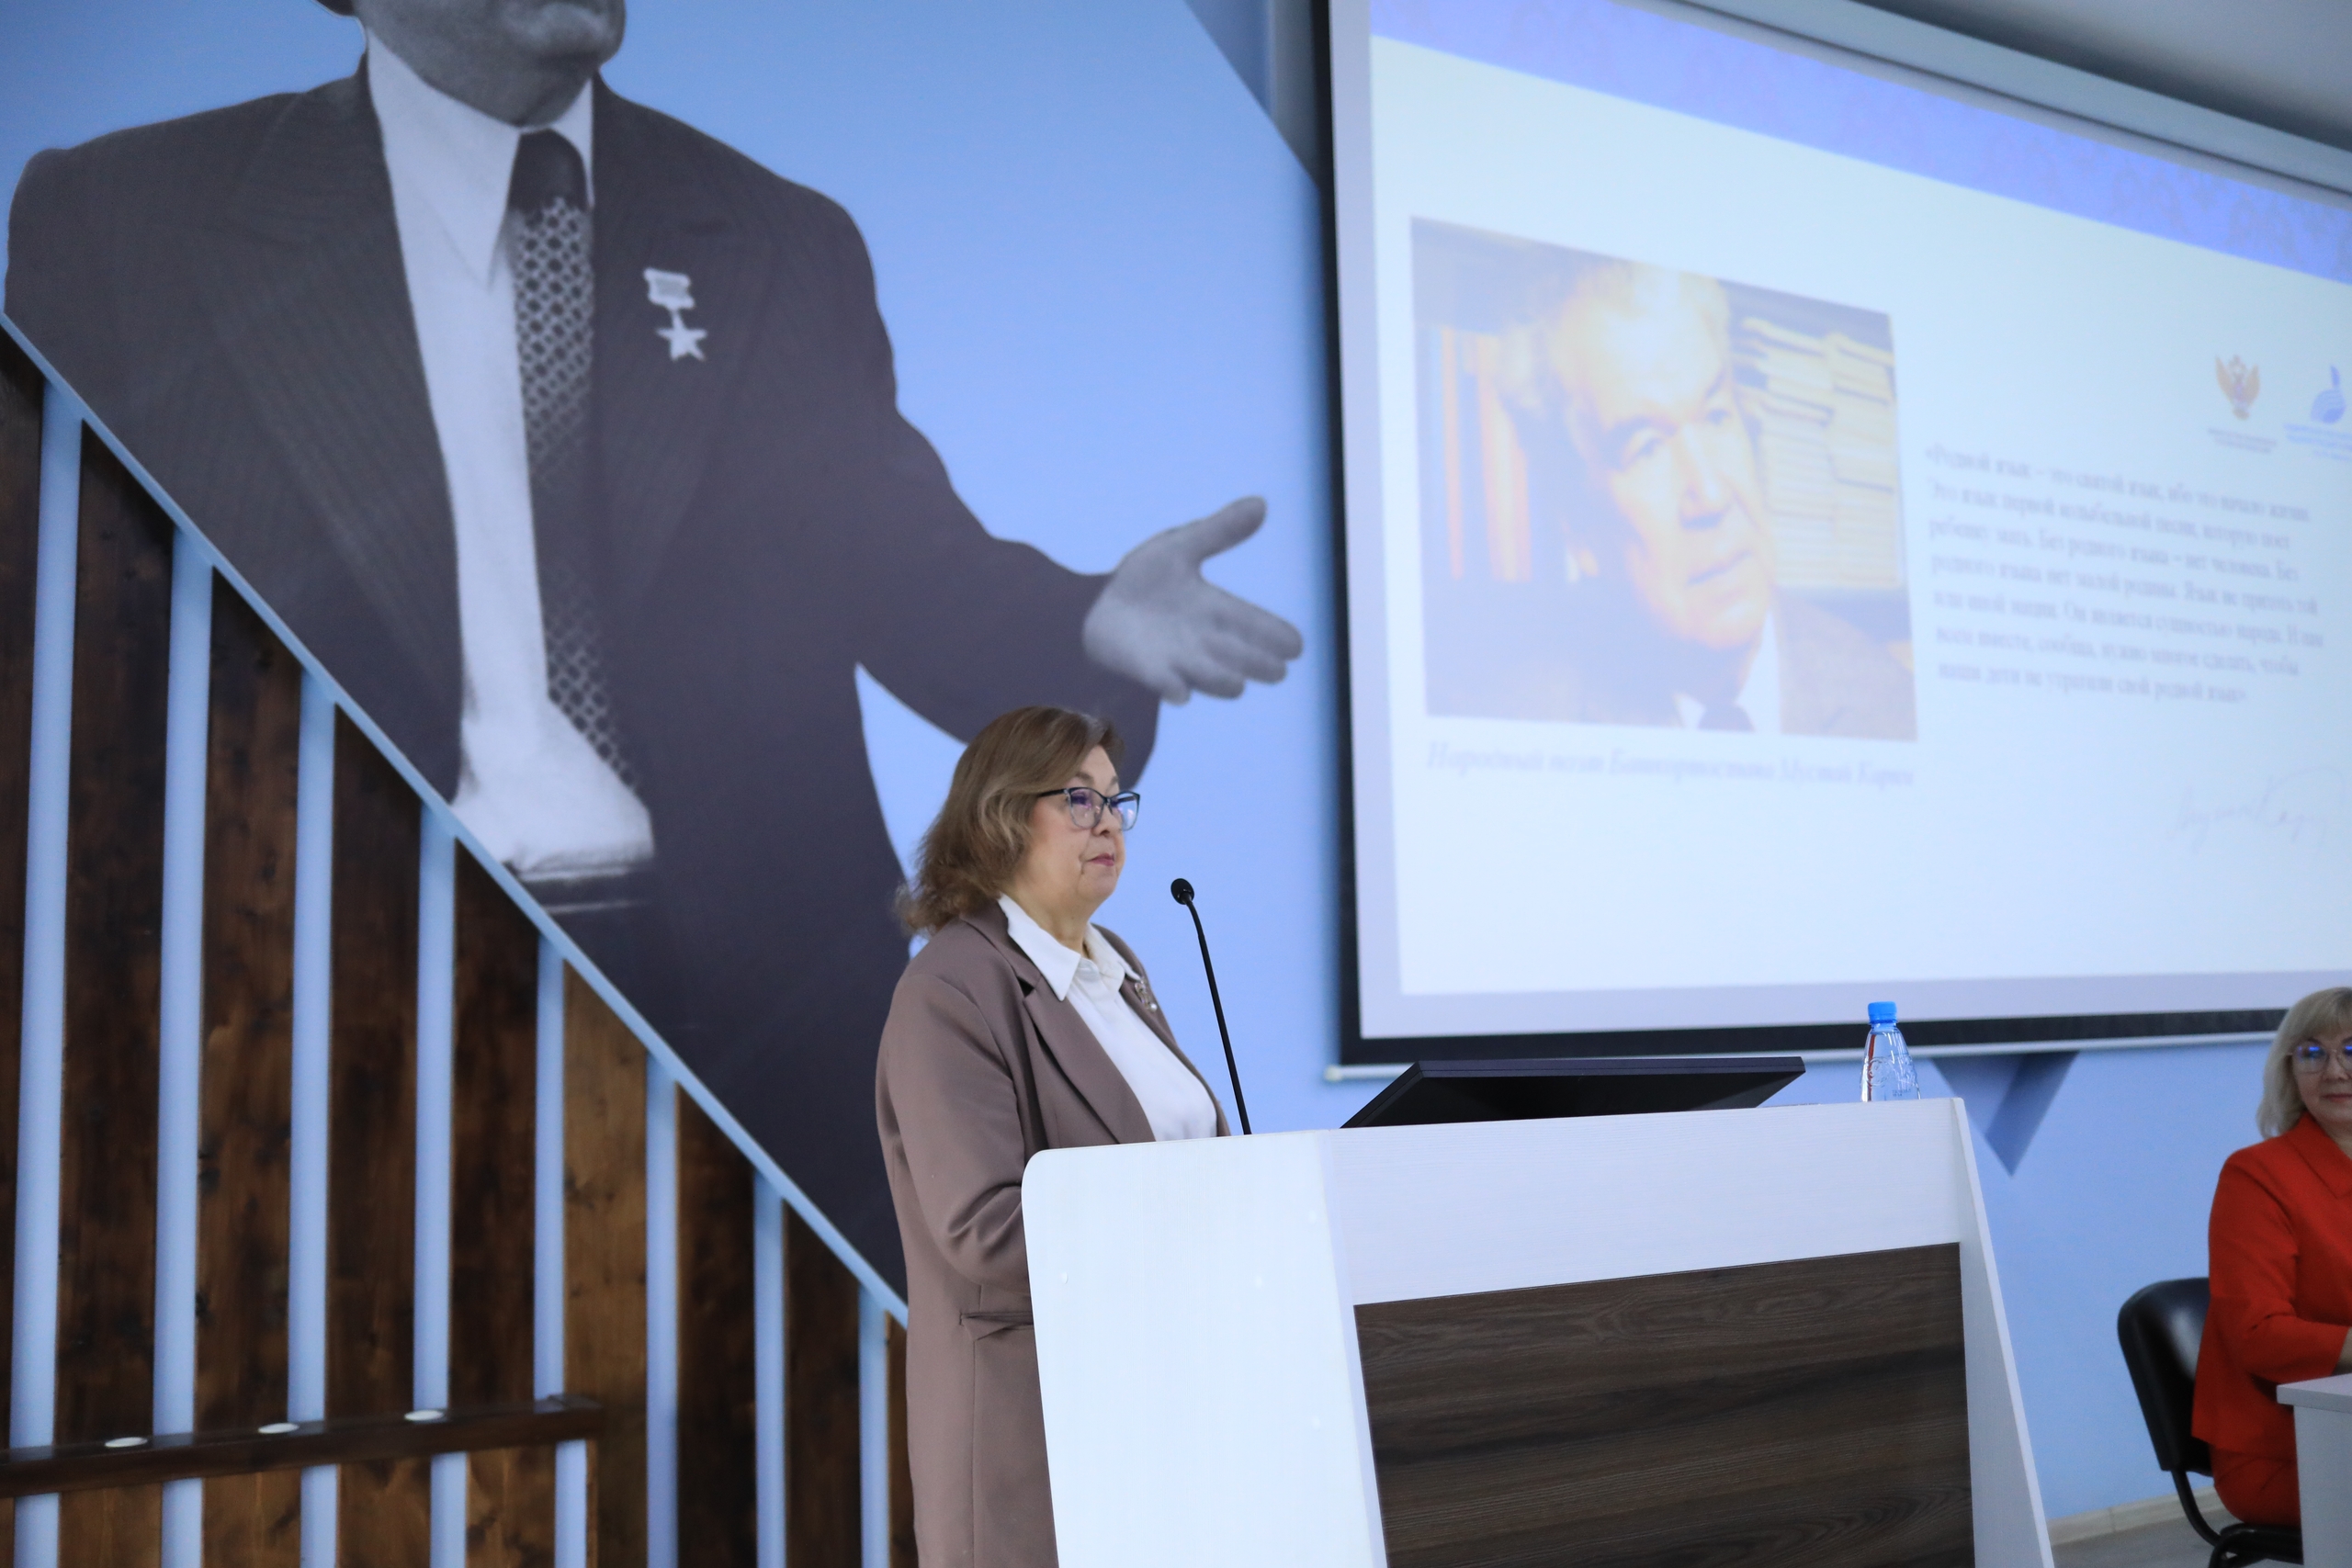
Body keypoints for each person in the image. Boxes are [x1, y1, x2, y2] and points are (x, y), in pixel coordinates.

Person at [4, 0, 1298, 1282]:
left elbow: (906, 565)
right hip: (328, 992)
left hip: (759, 1006)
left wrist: (1088, 624)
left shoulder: (774, 236)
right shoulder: (129, 223)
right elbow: (66, 641)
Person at [876, 706, 1227, 1568]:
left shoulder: (1118, 967)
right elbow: (986, 1227)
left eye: (1115, 798)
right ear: (1000, 816)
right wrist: (1188, 1228)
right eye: (1078, 799)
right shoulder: (951, 988)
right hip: (1033, 1424)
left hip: (1166, 1401)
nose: (1108, 821)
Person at [1434, 259, 1913, 738]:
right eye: (1647, 449)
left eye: (1717, 416)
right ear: (1581, 531)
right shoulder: (1516, 725)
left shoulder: (1892, 705)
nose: (1711, 494)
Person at [2194, 986, 2352, 1526]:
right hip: (2289, 1447)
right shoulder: (2257, 1175)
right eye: (2312, 1053)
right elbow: (2258, 1334)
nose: (2334, 1071)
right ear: (2290, 1070)